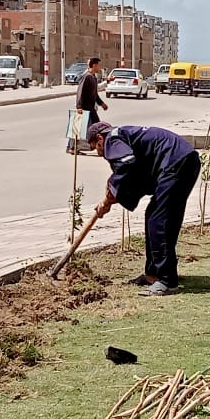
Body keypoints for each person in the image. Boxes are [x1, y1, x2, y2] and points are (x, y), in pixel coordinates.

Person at [88, 121, 201, 296]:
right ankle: (153, 274)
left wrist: (110, 194)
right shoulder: (127, 139)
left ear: (100, 138)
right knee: (154, 216)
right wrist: (111, 197)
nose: (100, 153)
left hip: (175, 162)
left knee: (159, 221)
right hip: (180, 162)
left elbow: (126, 165)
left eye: (96, 148)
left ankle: (167, 281)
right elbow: (137, 178)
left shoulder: (113, 138)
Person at [69, 57, 108, 154]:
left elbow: (94, 94)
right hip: (85, 108)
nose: (99, 67)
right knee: (79, 129)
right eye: (98, 65)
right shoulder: (86, 77)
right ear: (94, 65)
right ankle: (72, 147)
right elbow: (80, 92)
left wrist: (101, 103)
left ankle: (97, 146)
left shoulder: (93, 77)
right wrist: (79, 107)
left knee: (96, 127)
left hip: (91, 108)